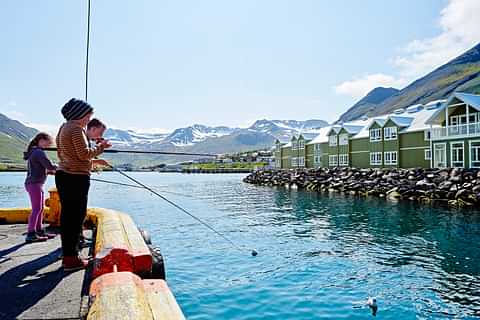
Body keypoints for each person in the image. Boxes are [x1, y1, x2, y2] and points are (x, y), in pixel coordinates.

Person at [55, 98, 111, 271]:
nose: (89, 119)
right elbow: (83, 155)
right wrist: (102, 147)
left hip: (64, 175)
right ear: (79, 114)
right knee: (75, 218)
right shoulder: (76, 129)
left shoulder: (64, 128)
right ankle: (71, 260)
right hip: (75, 178)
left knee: (68, 218)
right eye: (88, 115)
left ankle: (69, 256)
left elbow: (67, 153)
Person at [23, 132, 57, 243]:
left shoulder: (34, 151)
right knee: (36, 209)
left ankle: (39, 230)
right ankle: (31, 234)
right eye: (48, 143)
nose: (48, 146)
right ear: (41, 140)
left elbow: (40, 168)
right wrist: (61, 167)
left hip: (35, 184)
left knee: (40, 209)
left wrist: (47, 172)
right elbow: (49, 166)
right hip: (34, 184)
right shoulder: (38, 152)